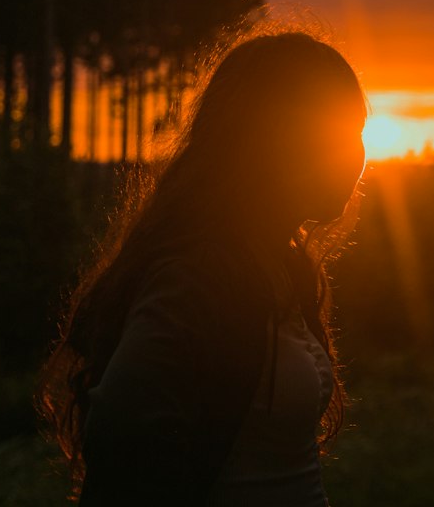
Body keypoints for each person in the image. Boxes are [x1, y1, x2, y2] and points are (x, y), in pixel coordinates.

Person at [37, 30, 368, 506]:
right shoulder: (199, 276)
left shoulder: (280, 267)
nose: (355, 155)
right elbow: (121, 439)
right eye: (335, 133)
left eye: (357, 133)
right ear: (273, 142)